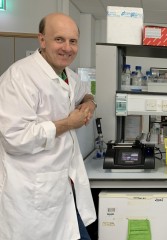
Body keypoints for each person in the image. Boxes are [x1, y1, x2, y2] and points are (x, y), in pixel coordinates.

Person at [0, 13, 96, 240]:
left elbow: (86, 93)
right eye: (59, 39)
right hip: (32, 194)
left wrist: (90, 102)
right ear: (42, 40)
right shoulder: (19, 77)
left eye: (73, 41)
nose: (67, 48)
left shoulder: (69, 76)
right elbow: (15, 139)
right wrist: (67, 124)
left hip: (64, 188)